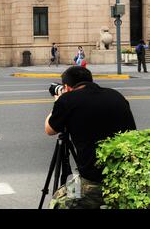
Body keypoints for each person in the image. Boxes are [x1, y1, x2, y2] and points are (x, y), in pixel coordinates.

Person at [45, 66, 137, 209]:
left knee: (58, 200)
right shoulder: (116, 95)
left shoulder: (68, 100)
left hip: (93, 182)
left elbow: (49, 129)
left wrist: (58, 102)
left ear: (67, 87)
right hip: (125, 175)